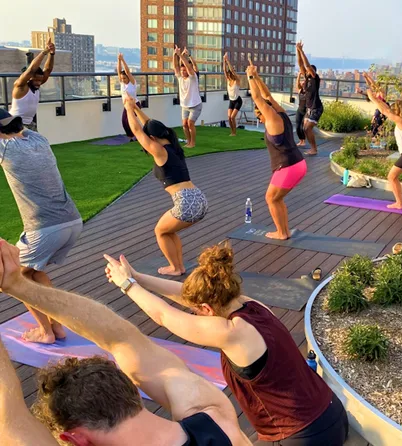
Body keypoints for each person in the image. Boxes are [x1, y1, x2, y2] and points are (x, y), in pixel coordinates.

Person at [0, 239, 250, 446]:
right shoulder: (215, 416)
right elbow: (122, 339)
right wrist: (16, 284)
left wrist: (14, 284)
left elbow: (10, 420)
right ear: (133, 391)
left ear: (76, 439)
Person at [103, 241, 349, 446]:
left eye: (197, 311)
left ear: (207, 308)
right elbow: (188, 296)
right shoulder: (251, 305)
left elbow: (163, 315)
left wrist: (127, 285)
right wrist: (137, 277)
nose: (195, 314)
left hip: (302, 436)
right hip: (330, 410)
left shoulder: (232, 333)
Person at [0, 109, 82, 344]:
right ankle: (56, 327)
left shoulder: (5, 149)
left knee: (15, 277)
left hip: (45, 229)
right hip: (72, 221)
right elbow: (21, 128)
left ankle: (46, 332)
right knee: (34, 272)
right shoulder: (39, 140)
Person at [123, 97, 208, 275]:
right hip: (198, 198)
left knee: (160, 231)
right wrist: (136, 109)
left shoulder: (160, 151)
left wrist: (128, 108)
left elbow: (137, 131)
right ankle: (179, 266)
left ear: (153, 138)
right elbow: (150, 125)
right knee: (168, 231)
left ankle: (175, 268)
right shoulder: (173, 147)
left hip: (187, 202)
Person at [247, 57, 307, 240]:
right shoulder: (281, 112)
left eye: (259, 114)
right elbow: (266, 96)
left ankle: (281, 233)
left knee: (271, 198)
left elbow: (257, 98)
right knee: (277, 199)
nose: (259, 117)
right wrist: (257, 77)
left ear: (262, 112)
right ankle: (284, 231)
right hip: (298, 163)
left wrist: (250, 77)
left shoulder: (272, 119)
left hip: (287, 166)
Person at [364, 72, 402, 210]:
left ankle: (399, 203)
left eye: (393, 109)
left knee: (391, 177)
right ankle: (399, 202)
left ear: (396, 111)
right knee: (393, 177)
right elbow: (386, 108)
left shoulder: (400, 121)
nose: (391, 111)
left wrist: (372, 97)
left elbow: (385, 110)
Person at [9, 39, 55, 132]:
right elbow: (31, 70)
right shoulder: (20, 87)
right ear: (28, 78)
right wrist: (44, 52)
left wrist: (52, 53)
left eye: (40, 80)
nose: (39, 83)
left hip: (29, 124)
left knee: (39, 141)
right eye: (36, 80)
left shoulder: (36, 85)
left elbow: (48, 69)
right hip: (15, 124)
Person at [296, 41, 323, 156]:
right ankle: (312, 147)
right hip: (309, 109)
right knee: (304, 128)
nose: (306, 71)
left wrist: (301, 51)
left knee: (307, 129)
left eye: (309, 70)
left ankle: (314, 149)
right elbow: (301, 65)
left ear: (313, 71)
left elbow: (306, 65)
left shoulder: (315, 78)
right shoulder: (306, 79)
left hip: (316, 108)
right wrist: (297, 50)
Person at [174, 46, 202, 149]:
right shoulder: (180, 78)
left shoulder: (193, 77)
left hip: (195, 105)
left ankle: (193, 143)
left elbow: (190, 67)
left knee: (190, 123)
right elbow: (176, 66)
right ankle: (188, 141)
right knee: (184, 124)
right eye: (182, 70)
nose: (182, 72)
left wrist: (182, 55)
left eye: (184, 70)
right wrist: (175, 54)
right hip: (185, 105)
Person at [117, 53, 139, 142]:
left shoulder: (132, 83)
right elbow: (119, 71)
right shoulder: (122, 83)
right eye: (122, 78)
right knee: (124, 121)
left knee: (130, 121)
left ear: (128, 78)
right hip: (126, 106)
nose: (123, 80)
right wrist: (118, 60)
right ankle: (131, 137)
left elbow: (127, 71)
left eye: (125, 78)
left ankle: (136, 135)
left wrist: (122, 60)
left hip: (134, 104)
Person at [223, 52, 243, 137]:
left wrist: (227, 61)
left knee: (232, 117)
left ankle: (234, 132)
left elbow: (231, 70)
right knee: (229, 117)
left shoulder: (237, 80)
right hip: (231, 101)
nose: (234, 72)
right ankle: (232, 132)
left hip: (238, 101)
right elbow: (224, 70)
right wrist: (224, 61)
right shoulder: (228, 80)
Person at [295, 73, 307, 146]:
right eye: (302, 82)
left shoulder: (309, 91)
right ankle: (301, 140)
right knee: (297, 126)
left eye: (304, 82)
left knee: (302, 127)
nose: (303, 83)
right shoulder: (300, 90)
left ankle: (304, 141)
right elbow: (297, 84)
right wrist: (299, 75)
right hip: (300, 110)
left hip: (306, 111)